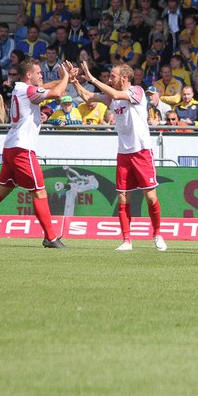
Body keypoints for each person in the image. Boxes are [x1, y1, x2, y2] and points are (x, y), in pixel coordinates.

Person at [0, 59, 70, 249]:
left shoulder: (20, 88)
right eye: (38, 73)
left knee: (1, 191)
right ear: (29, 75)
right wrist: (66, 77)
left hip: (11, 147)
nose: (41, 75)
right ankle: (51, 237)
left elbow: (48, 87)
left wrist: (66, 80)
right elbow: (55, 92)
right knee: (39, 192)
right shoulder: (27, 90)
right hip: (23, 149)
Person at [72, 61, 168, 252]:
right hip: (124, 154)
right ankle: (126, 240)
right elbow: (87, 96)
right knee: (123, 198)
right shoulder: (112, 97)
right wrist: (74, 80)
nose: (110, 79)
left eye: (113, 76)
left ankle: (157, 234)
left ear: (124, 78)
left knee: (150, 197)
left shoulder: (136, 91)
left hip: (141, 152)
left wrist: (92, 78)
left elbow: (116, 94)